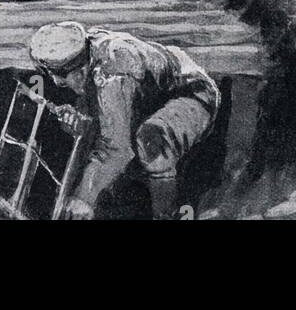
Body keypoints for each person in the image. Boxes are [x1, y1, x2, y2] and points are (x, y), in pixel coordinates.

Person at [29, 21, 220, 220]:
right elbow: (106, 113)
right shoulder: (90, 55)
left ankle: (166, 215)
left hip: (193, 93)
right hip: (149, 98)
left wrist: (84, 197)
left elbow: (118, 149)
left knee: (150, 140)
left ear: (79, 69)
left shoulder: (113, 72)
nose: (56, 82)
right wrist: (82, 119)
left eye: (59, 75)